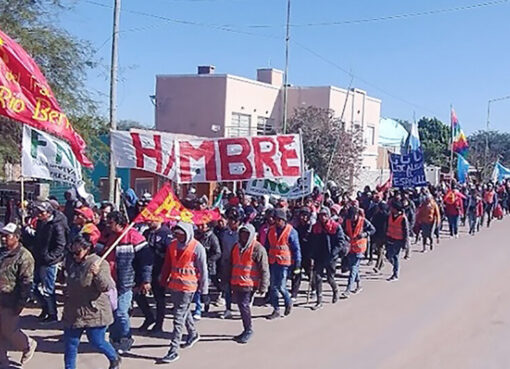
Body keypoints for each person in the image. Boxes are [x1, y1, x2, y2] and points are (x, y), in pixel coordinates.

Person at [63, 234, 120, 369]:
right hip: (74, 310)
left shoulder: (100, 263)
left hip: (94, 311)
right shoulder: (71, 262)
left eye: (78, 252)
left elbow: (106, 286)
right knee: (70, 344)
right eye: (72, 252)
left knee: (97, 341)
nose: (75, 255)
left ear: (87, 249)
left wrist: (98, 274)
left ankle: (114, 357)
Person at [98, 211, 149, 354]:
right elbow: (97, 253)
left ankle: (126, 338)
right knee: (112, 313)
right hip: (108, 282)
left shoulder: (133, 236)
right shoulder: (106, 236)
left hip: (125, 283)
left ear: (119, 223)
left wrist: (145, 280)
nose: (107, 225)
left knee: (121, 313)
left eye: (110, 222)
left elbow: (145, 261)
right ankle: (115, 339)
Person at [158, 222, 209, 364]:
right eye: (176, 234)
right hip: (174, 286)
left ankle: (173, 350)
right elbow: (167, 265)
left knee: (178, 317)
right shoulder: (172, 245)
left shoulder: (197, 247)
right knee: (183, 312)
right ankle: (193, 334)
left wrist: (204, 292)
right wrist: (163, 281)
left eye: (181, 234)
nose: (178, 236)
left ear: (187, 233)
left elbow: (204, 271)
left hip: (188, 288)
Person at [24, 201, 69, 324]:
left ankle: (52, 314)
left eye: (41, 212)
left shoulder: (57, 225)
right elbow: (38, 239)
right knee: (32, 287)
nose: (38, 214)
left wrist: (50, 258)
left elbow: (61, 245)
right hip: (39, 259)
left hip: (49, 263)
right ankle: (45, 308)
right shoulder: (41, 223)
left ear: (48, 213)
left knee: (48, 289)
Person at [0, 223, 37, 368]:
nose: (3, 239)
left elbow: (27, 282)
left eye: (6, 236)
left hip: (11, 300)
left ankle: (27, 344)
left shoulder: (24, 256)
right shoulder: (2, 252)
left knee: (9, 331)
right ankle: (2, 360)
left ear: (16, 237)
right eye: (2, 235)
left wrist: (21, 303)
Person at [226, 224, 269, 344]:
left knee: (244, 305)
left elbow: (264, 268)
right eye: (242, 233)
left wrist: (264, 286)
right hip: (236, 282)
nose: (244, 236)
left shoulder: (257, 248)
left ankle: (248, 329)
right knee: (241, 305)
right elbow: (231, 264)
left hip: (249, 283)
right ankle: (246, 329)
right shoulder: (236, 247)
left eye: (246, 234)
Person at [265, 209, 301, 320]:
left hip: (284, 263)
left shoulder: (291, 231)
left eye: (278, 220)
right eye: (275, 219)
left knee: (281, 286)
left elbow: (296, 249)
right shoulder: (271, 231)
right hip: (272, 262)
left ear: (283, 220)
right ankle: (276, 309)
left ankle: (288, 301)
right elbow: (267, 246)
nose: (276, 222)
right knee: (273, 287)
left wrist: (298, 263)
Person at [137, 220, 172, 333]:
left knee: (159, 298)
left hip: (159, 268)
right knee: (138, 294)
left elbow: (169, 253)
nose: (149, 221)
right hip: (145, 268)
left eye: (152, 218)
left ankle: (159, 323)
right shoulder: (147, 233)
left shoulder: (166, 233)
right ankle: (149, 317)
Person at [309, 207, 347, 309]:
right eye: (321, 215)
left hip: (331, 257)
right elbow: (312, 242)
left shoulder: (335, 227)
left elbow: (341, 242)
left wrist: (334, 252)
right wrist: (311, 255)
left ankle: (335, 290)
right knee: (318, 278)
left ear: (329, 215)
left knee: (330, 278)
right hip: (319, 256)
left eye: (325, 215)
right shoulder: (315, 227)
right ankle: (319, 300)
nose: (322, 217)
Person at [342, 202, 375, 298]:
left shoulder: (363, 221)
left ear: (357, 214)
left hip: (359, 248)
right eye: (350, 216)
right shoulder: (346, 221)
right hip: (349, 248)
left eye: (353, 216)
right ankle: (359, 284)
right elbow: (342, 230)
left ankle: (348, 289)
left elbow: (373, 230)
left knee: (353, 268)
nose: (352, 218)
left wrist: (364, 234)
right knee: (354, 267)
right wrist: (345, 236)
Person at [218, 210, 242, 319]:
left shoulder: (242, 234)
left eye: (234, 221)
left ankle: (243, 308)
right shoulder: (225, 234)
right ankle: (227, 309)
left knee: (239, 289)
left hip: (239, 265)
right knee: (226, 287)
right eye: (231, 220)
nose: (232, 222)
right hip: (226, 264)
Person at [194, 222, 221, 317]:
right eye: (199, 225)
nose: (200, 227)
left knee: (205, 287)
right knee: (197, 288)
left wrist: (208, 260)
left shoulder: (212, 237)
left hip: (208, 267)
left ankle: (206, 301)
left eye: (203, 225)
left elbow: (218, 253)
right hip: (196, 266)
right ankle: (198, 307)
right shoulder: (196, 235)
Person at [291, 207, 313, 300]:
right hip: (298, 254)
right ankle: (294, 293)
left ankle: (314, 289)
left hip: (308, 254)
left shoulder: (311, 227)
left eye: (305, 216)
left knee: (309, 273)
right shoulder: (296, 227)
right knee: (296, 273)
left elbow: (314, 242)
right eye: (302, 215)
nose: (303, 218)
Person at [385, 202, 409, 282]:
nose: (391, 209)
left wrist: (405, 243)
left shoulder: (403, 218)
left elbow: (406, 231)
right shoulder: (390, 215)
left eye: (392, 208)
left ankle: (395, 274)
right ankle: (395, 266)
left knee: (395, 256)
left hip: (398, 240)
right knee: (388, 255)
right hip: (390, 238)